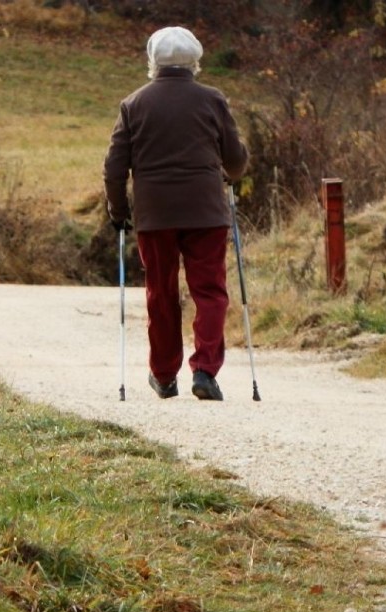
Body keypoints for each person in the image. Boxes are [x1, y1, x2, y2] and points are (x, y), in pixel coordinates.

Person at [104, 26, 248, 401]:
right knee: (210, 291)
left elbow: (115, 168)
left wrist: (119, 212)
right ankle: (205, 371)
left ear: (152, 60)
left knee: (161, 293)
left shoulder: (133, 104)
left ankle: (165, 376)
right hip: (206, 211)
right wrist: (231, 174)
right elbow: (235, 159)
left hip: (155, 215)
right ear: (195, 60)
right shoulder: (212, 100)